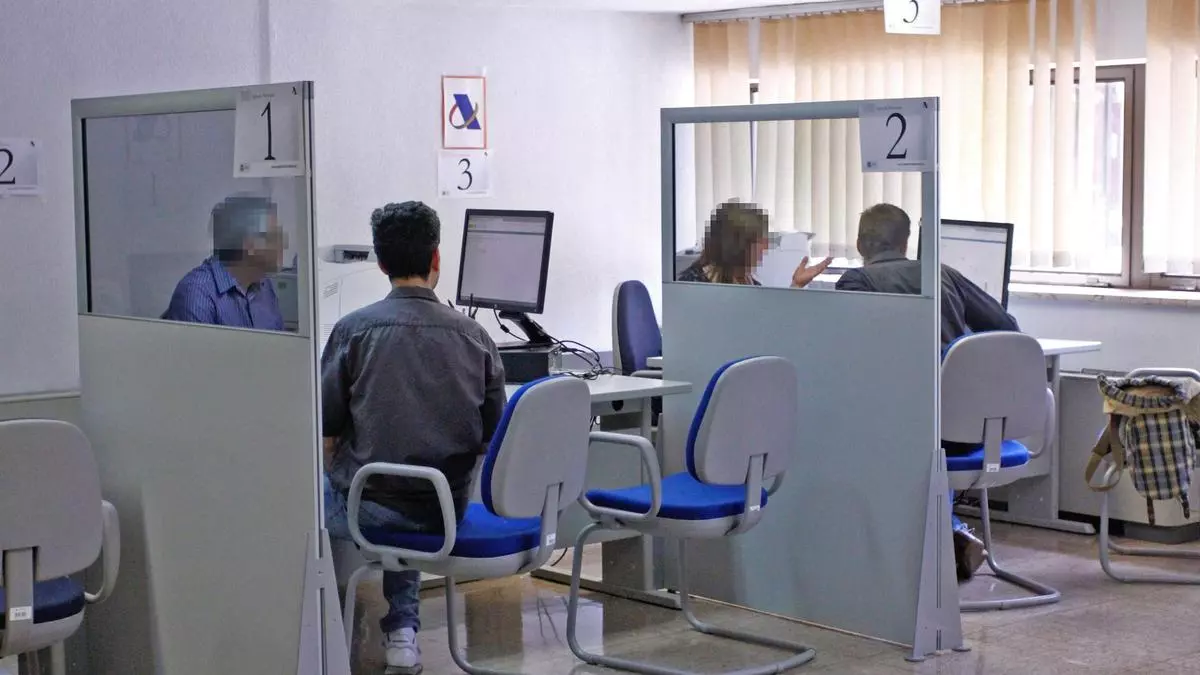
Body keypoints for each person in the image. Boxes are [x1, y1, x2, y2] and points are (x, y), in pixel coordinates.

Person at [320, 201, 506, 675]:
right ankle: (402, 631)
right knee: (406, 484)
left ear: (381, 264)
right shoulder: (477, 337)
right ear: (436, 258)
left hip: (370, 510)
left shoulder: (352, 331)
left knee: (322, 489)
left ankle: (315, 631)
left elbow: (325, 432)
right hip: (446, 510)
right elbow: (494, 436)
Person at [836, 203, 1020, 582]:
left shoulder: (855, 283)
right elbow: (1006, 327)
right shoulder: (942, 274)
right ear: (906, 243)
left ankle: (933, 539)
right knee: (927, 435)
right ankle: (948, 535)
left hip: (902, 427)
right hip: (967, 427)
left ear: (859, 244)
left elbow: (849, 354)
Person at [162, 195, 286, 330]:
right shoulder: (196, 294)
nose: (283, 245)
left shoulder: (264, 285)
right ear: (250, 245)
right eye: (275, 238)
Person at [677, 201, 832, 288]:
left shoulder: (746, 281)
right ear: (738, 246)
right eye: (759, 240)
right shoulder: (692, 286)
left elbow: (766, 326)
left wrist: (796, 285)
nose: (765, 247)